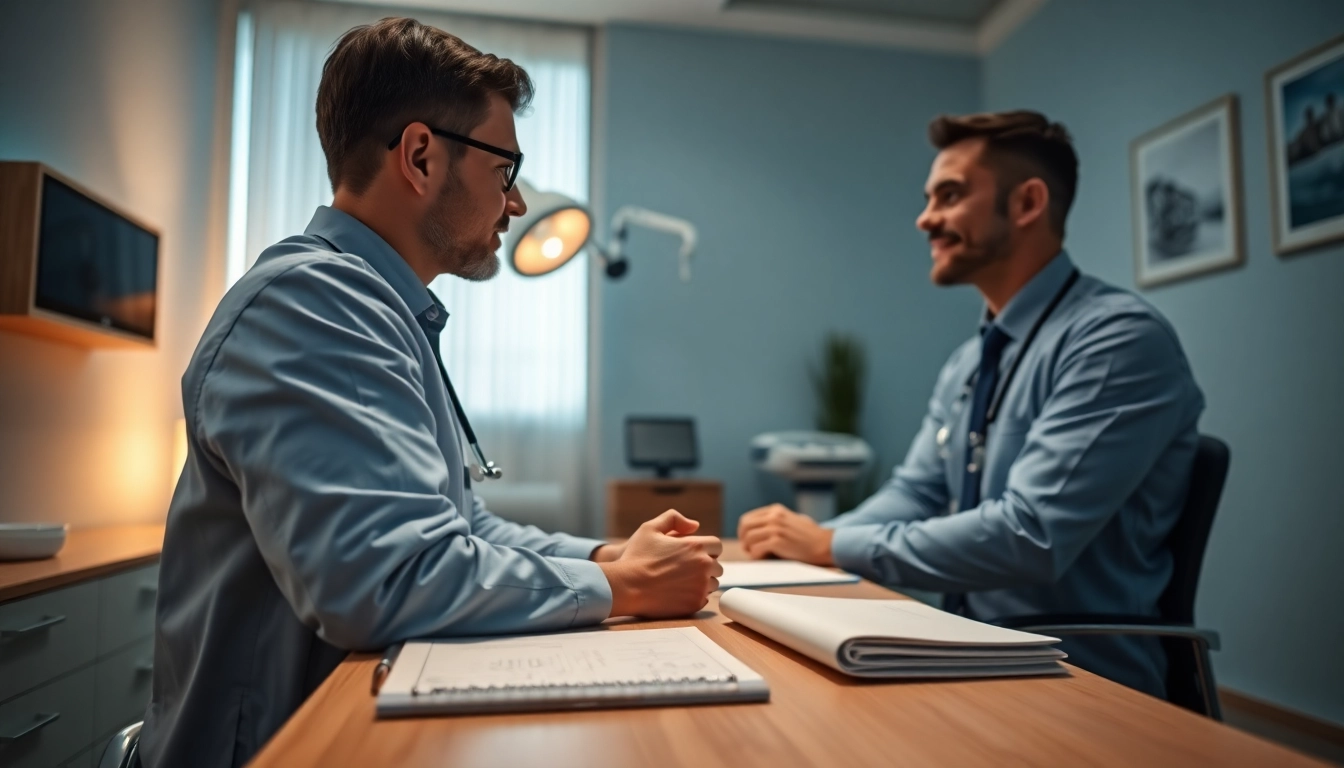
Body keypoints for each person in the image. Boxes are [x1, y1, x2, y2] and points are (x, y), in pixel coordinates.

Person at [139, 18, 721, 768]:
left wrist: (611, 552)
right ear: (419, 156)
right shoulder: (311, 305)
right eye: (504, 170)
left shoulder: (376, 309)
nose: (514, 204)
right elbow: (380, 581)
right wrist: (620, 586)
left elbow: (457, 526)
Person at [737, 111, 1205, 698]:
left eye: (950, 196)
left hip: (1078, 676)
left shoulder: (1116, 339)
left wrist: (830, 546)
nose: (925, 218)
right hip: (964, 647)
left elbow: (1030, 534)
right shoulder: (970, 360)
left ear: (1027, 203)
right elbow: (917, 492)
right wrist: (805, 548)